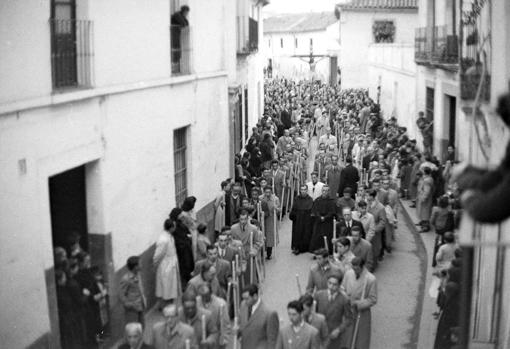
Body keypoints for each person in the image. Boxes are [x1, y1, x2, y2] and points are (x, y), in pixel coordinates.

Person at [342, 257, 377, 349]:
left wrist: (358, 303)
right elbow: (342, 288)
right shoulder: (349, 273)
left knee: (361, 340)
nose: (354, 271)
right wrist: (345, 298)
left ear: (362, 267)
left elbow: (373, 299)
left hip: (362, 313)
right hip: (348, 310)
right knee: (346, 337)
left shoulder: (371, 279)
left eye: (356, 269)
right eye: (353, 268)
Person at [314, 274, 353, 349]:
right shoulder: (318, 295)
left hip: (333, 334)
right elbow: (313, 313)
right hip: (319, 332)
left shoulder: (344, 299)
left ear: (339, 285)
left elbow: (349, 318)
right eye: (329, 283)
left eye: (334, 284)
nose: (331, 287)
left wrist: (338, 330)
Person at [239, 284, 280, 349]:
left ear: (255, 296)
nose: (245, 301)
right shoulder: (243, 305)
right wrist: (237, 331)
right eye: (243, 299)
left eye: (247, 299)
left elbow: (272, 341)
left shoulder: (269, 314)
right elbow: (243, 327)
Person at [230, 210, 263, 284]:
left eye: (245, 219)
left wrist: (254, 250)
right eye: (241, 219)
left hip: (249, 256)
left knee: (250, 277)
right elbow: (231, 242)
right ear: (239, 219)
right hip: (238, 257)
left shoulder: (253, 229)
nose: (243, 221)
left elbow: (258, 242)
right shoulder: (233, 229)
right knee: (240, 279)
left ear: (248, 218)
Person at [153, 218, 181, 307]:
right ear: (171, 228)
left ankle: (169, 303)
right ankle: (164, 305)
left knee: (170, 286)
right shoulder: (163, 239)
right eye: (174, 226)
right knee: (166, 286)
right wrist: (155, 265)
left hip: (171, 263)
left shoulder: (169, 236)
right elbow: (157, 255)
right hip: (166, 266)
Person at [196, 283, 230, 349]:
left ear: (211, 292)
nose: (204, 298)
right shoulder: (196, 302)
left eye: (206, 295)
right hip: (200, 340)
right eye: (202, 295)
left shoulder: (221, 303)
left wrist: (224, 340)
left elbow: (225, 324)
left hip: (215, 340)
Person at [119, 256, 146, 326]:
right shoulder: (126, 279)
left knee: (142, 326)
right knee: (133, 328)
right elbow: (121, 295)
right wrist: (130, 305)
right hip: (132, 309)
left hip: (140, 305)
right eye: (140, 264)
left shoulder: (138, 274)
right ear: (135, 267)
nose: (142, 265)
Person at [310, 186, 337, 254]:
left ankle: (328, 251)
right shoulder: (317, 200)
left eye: (326, 190)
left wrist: (325, 217)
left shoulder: (332, 201)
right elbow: (315, 210)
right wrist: (320, 217)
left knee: (328, 236)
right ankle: (317, 251)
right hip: (318, 221)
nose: (325, 192)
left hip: (328, 222)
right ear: (321, 191)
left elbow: (332, 212)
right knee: (317, 237)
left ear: (329, 192)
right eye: (323, 190)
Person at [290, 185, 314, 254]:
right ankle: (296, 247)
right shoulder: (296, 199)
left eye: (304, 190)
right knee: (297, 233)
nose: (303, 191)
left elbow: (311, 210)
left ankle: (305, 247)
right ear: (300, 190)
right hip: (298, 220)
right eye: (302, 190)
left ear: (307, 190)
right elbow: (294, 209)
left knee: (306, 233)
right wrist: (293, 216)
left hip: (306, 220)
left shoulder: (310, 199)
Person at [366, 189, 387, 263]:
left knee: (374, 249)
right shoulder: (365, 204)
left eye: (368, 196)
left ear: (373, 197)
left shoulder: (380, 207)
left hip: (375, 233)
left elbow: (383, 221)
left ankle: (374, 263)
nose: (367, 197)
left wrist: (375, 229)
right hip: (366, 230)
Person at [260, 186, 281, 259]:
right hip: (263, 219)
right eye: (266, 192)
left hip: (271, 219)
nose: (268, 194)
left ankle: (269, 253)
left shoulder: (275, 199)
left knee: (270, 236)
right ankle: (262, 251)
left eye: (269, 192)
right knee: (262, 234)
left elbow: (279, 210)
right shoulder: (261, 198)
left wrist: (276, 208)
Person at [170, 5, 190, 72]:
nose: (187, 14)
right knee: (175, 48)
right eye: (186, 12)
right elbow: (184, 24)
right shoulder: (177, 15)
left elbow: (187, 24)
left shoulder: (181, 16)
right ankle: (174, 65)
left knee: (177, 48)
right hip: (172, 34)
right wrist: (183, 23)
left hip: (176, 33)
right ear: (184, 11)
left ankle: (175, 63)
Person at [417, 167, 434, 232]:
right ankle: (423, 223)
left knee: (425, 212)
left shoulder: (427, 180)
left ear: (424, 172)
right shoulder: (429, 178)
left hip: (425, 199)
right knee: (424, 211)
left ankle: (425, 227)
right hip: (425, 198)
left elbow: (427, 191)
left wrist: (423, 198)